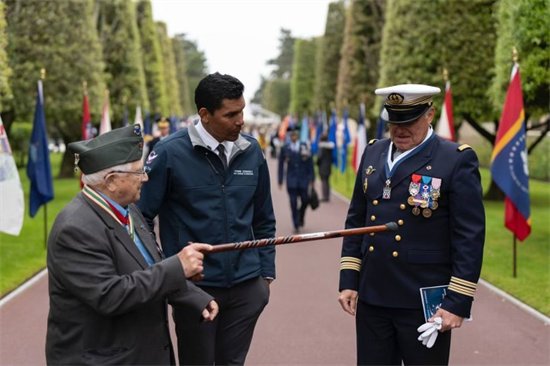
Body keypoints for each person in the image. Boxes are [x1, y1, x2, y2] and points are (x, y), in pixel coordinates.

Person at [46, 124, 218, 366]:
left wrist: (193, 296)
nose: (146, 178)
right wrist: (178, 267)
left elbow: (148, 267)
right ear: (112, 181)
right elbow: (111, 295)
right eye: (139, 172)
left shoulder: (128, 209)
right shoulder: (75, 228)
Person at [338, 84, 485, 366]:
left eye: (408, 121)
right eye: (394, 122)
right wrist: (349, 279)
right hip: (373, 294)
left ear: (429, 115)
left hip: (422, 300)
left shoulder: (454, 159)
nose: (399, 130)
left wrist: (456, 303)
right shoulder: (373, 152)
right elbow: (356, 221)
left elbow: (469, 237)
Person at [138, 72, 275, 366]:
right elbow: (141, 218)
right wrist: (167, 273)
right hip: (194, 288)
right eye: (231, 114)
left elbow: (264, 218)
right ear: (205, 114)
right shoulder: (168, 153)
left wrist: (265, 276)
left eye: (242, 111)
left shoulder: (252, 151)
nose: (241, 120)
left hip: (247, 286)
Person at [278, 125, 315, 233]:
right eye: (291, 134)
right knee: (293, 202)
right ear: (290, 136)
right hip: (291, 181)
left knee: (305, 200)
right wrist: (280, 180)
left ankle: (300, 215)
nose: (293, 136)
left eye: (295, 134)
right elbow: (281, 165)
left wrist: (312, 178)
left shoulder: (304, 146)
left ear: (298, 135)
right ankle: (296, 223)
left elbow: (310, 163)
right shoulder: (285, 148)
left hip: (304, 179)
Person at [316, 133, 334, 202]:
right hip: (328, 166)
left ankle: (325, 196)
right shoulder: (330, 148)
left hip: (322, 166)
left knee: (324, 181)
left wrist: (317, 163)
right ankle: (327, 195)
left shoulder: (321, 148)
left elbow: (319, 157)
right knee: (327, 181)